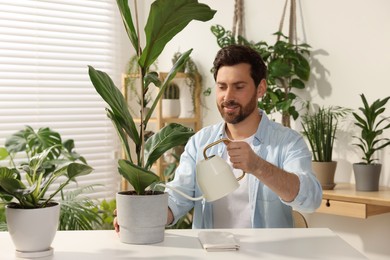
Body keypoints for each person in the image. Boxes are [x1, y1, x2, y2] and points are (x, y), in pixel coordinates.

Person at [114, 44, 322, 232]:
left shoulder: (288, 142)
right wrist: (141, 216)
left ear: (261, 89)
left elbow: (311, 199)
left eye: (239, 87)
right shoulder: (201, 142)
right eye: (222, 86)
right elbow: (179, 196)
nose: (228, 96)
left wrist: (258, 166)